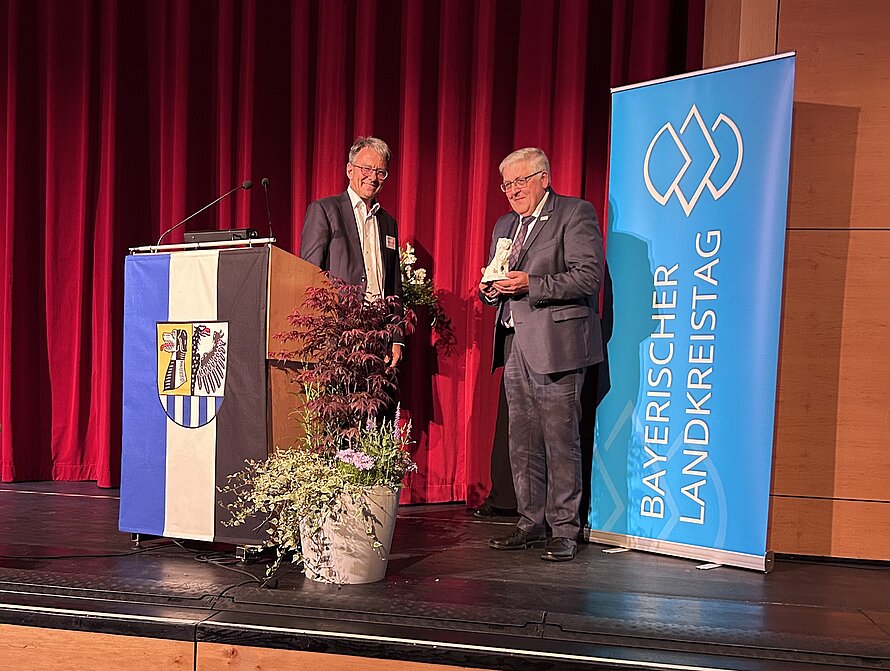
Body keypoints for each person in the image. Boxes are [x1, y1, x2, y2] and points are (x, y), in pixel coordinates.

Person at [478, 147, 604, 562]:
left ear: (544, 179)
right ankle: (530, 522)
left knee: (560, 438)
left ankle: (564, 528)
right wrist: (490, 289)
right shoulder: (505, 224)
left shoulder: (574, 213)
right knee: (523, 440)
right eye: (507, 185)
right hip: (515, 342)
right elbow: (499, 275)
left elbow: (588, 277)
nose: (513, 191)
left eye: (521, 181)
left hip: (558, 344)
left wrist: (530, 284)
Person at [300, 136, 403, 366]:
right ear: (349, 169)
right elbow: (309, 275)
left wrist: (396, 337)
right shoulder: (325, 210)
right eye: (366, 168)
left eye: (380, 172)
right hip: (338, 332)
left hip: (379, 337)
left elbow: (394, 284)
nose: (373, 177)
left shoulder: (388, 223)